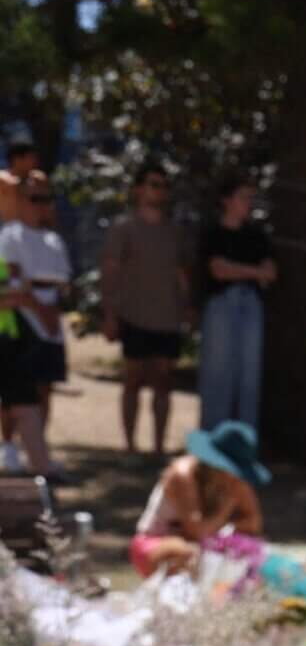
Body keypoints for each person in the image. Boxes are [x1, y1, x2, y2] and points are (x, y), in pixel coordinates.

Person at [101, 165, 191, 456]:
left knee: (164, 383)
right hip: (134, 315)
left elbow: (181, 274)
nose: (160, 191)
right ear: (139, 189)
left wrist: (187, 307)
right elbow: (111, 271)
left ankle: (158, 448)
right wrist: (110, 314)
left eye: (164, 185)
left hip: (167, 318)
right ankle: (129, 446)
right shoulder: (124, 227)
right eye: (154, 184)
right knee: (133, 380)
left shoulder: (174, 231)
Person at [130, 421, 268, 578]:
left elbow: (253, 524)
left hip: (199, 544)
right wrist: (227, 507)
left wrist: (227, 524)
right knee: (188, 554)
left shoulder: (234, 481)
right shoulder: (183, 475)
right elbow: (197, 531)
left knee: (255, 553)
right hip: (155, 544)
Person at [198, 175, 275, 432]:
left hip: (251, 305)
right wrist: (254, 271)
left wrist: (238, 270)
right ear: (226, 200)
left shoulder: (257, 236)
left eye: (250, 198)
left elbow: (270, 273)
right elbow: (218, 270)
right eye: (243, 197)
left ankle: (243, 440)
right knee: (217, 373)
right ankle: (212, 439)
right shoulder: (213, 234)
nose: (248, 203)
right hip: (221, 306)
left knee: (249, 376)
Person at [0, 201, 61, 481]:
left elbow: (16, 289)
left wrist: (24, 299)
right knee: (24, 403)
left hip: (11, 339)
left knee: (25, 403)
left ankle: (42, 466)